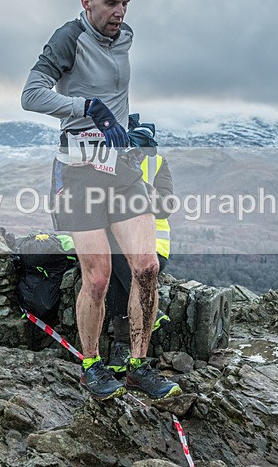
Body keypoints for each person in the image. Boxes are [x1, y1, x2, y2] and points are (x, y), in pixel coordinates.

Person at [21, 0, 181, 400]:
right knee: (97, 278)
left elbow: (116, 93)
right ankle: (91, 365)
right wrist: (86, 107)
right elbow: (30, 94)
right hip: (78, 174)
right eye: (111, 3)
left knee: (146, 268)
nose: (120, 12)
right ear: (86, 2)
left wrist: (122, 129)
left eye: (126, 4)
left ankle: (138, 366)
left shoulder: (125, 37)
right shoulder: (68, 38)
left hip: (122, 170)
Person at [105, 115, 174, 376]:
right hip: (119, 245)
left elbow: (166, 207)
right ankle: (138, 327)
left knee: (124, 264)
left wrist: (137, 186)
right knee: (111, 261)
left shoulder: (157, 164)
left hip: (154, 247)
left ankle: (124, 345)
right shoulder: (110, 163)